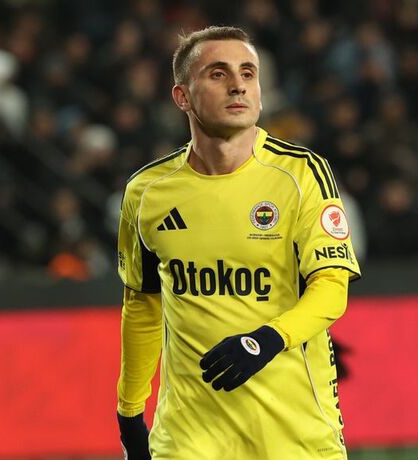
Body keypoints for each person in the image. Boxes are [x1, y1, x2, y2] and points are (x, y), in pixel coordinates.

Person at [116, 26, 361, 460]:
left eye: (248, 73)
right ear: (182, 97)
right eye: (218, 74)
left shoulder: (301, 174)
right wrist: (130, 413)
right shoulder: (147, 192)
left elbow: (331, 289)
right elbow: (143, 304)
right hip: (188, 437)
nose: (238, 85)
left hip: (294, 432)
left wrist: (266, 340)